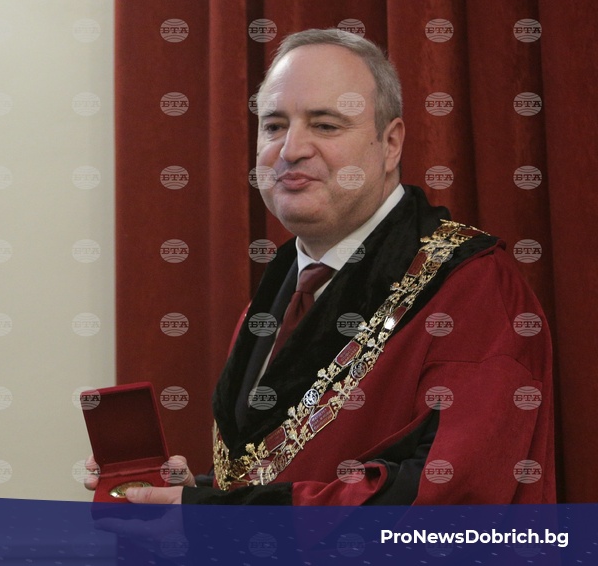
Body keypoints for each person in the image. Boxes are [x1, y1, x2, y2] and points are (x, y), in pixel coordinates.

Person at [86, 29, 554, 505]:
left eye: (326, 125)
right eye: (274, 126)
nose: (290, 149)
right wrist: (199, 492)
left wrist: (208, 514)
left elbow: (451, 497)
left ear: (391, 143)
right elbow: (274, 470)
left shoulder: (475, 288)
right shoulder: (278, 292)